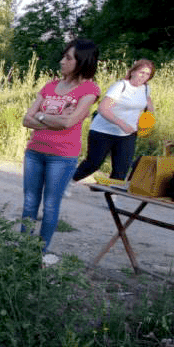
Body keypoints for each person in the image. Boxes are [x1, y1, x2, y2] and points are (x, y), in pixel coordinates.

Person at [21, 38, 100, 258]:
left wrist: (41, 115)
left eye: (68, 58)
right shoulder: (49, 86)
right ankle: (22, 249)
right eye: (64, 56)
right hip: (35, 151)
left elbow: (69, 122)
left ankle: (38, 253)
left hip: (62, 156)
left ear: (81, 61)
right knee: (29, 203)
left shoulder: (89, 89)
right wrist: (50, 118)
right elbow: (26, 120)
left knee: (50, 205)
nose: (62, 61)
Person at [73, 58, 156, 182]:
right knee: (93, 164)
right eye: (141, 72)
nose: (143, 76)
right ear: (133, 72)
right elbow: (103, 109)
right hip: (103, 131)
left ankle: (112, 196)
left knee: (121, 169)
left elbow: (147, 103)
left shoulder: (145, 88)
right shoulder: (121, 86)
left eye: (147, 74)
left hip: (127, 134)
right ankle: (69, 182)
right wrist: (122, 124)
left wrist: (148, 118)